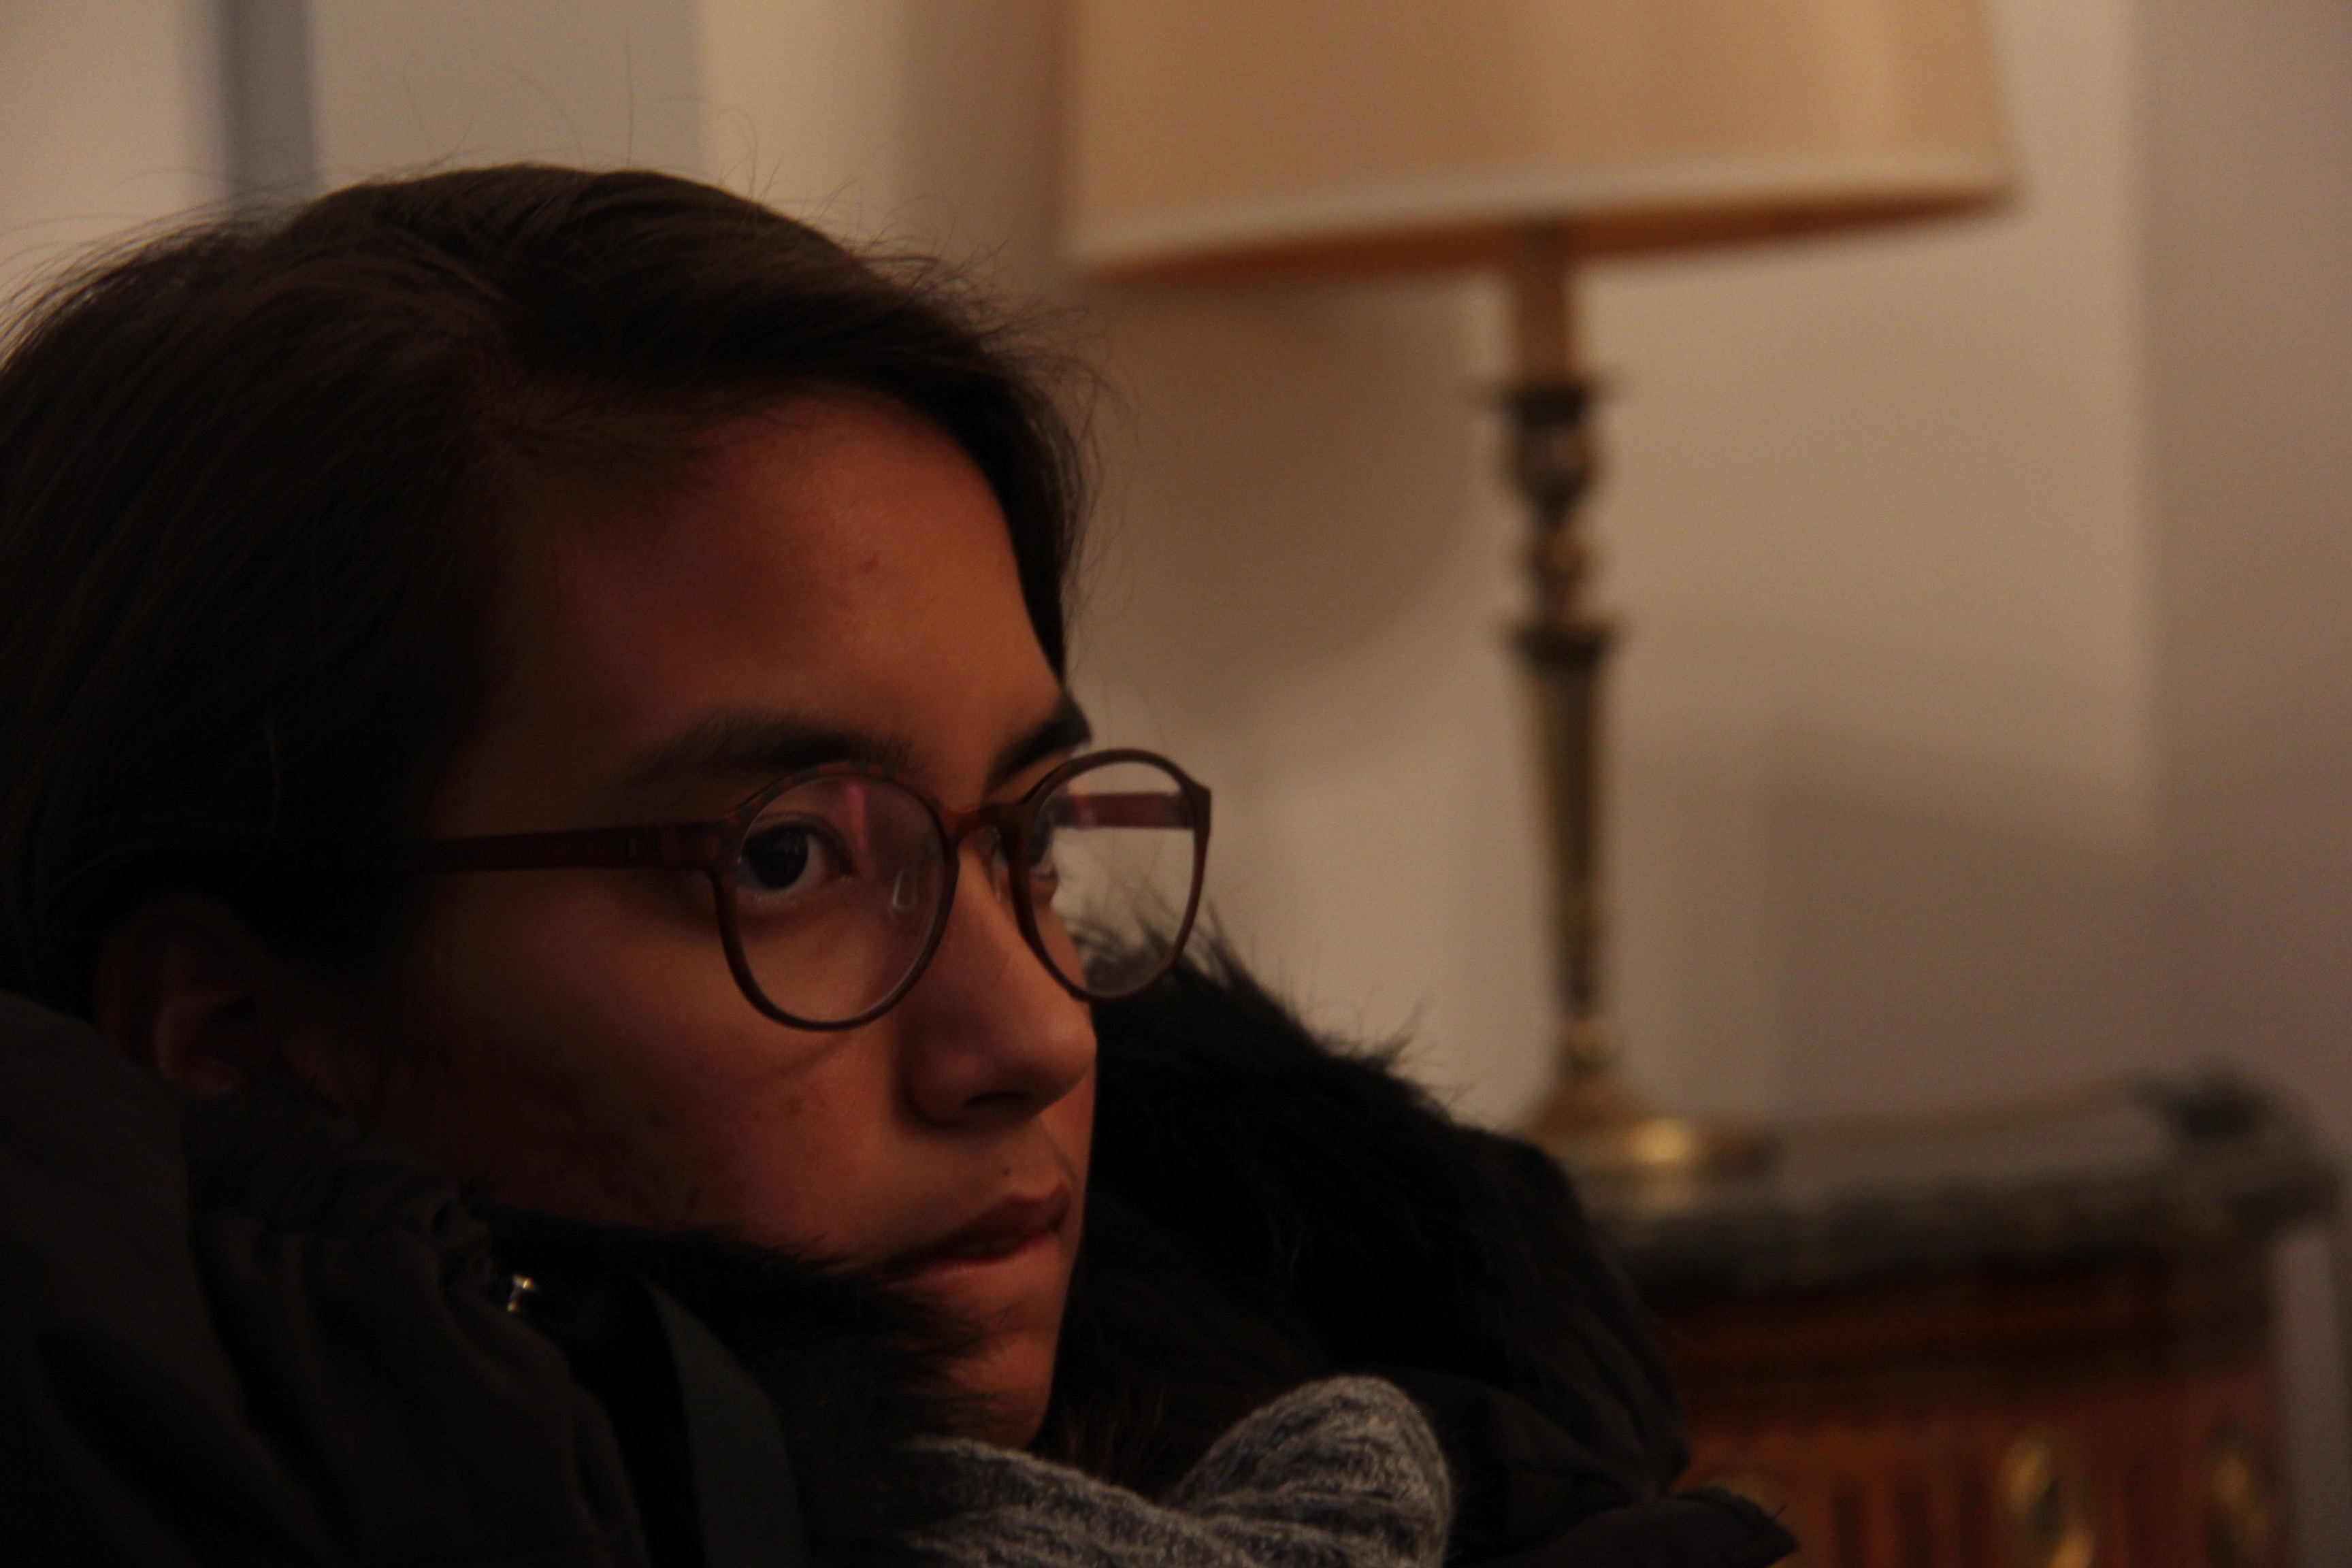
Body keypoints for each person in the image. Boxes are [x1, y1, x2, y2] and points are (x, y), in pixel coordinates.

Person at [0, 165, 1794, 1568]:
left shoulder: (1455, 1454)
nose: (1039, 1037)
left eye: (1033, 838)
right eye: (786, 858)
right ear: (234, 1039)